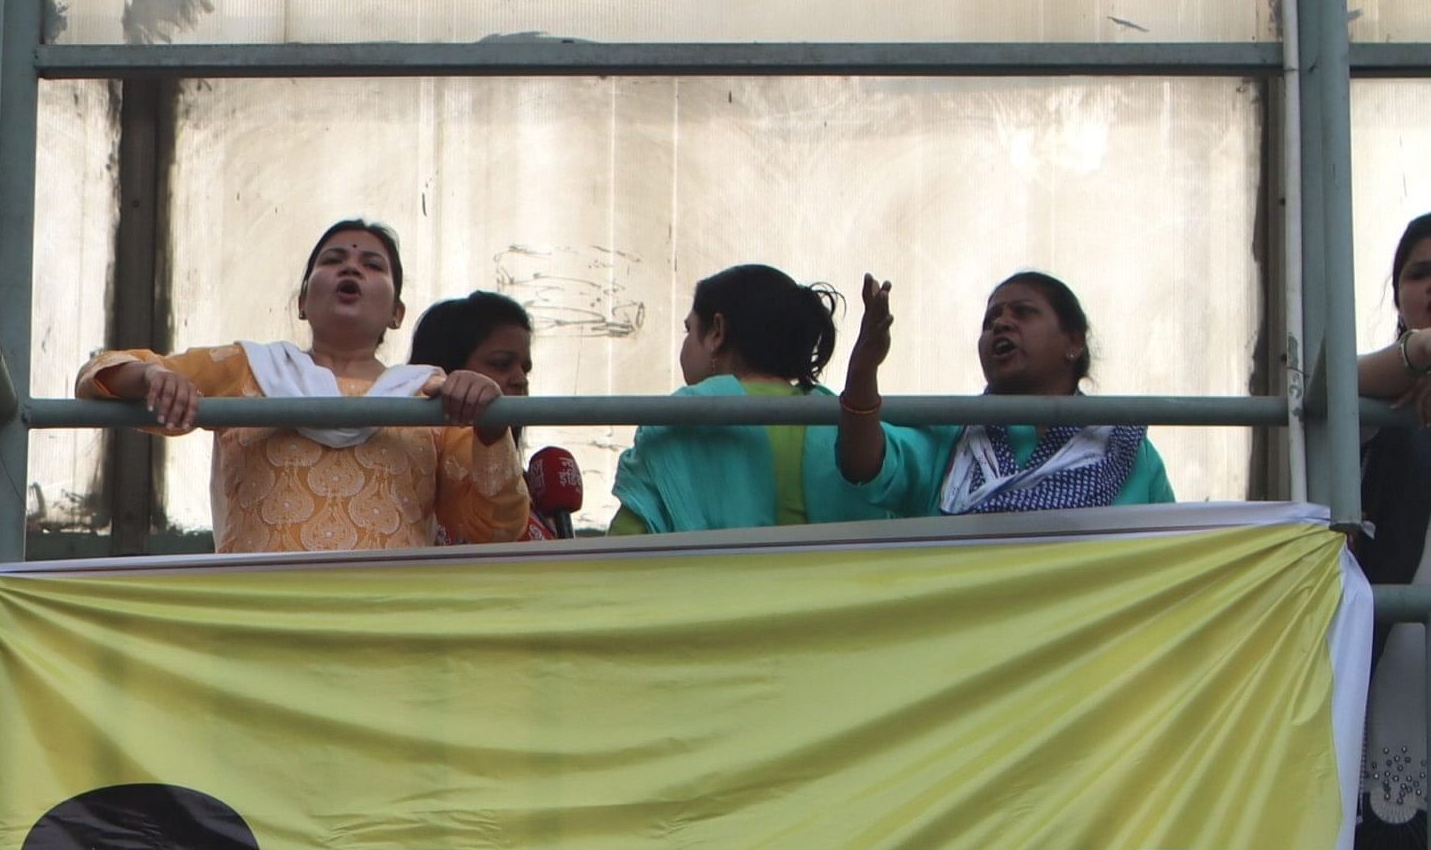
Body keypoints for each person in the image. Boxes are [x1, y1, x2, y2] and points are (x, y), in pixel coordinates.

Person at [73, 219, 525, 552]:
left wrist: (490, 423)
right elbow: (102, 374)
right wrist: (155, 377)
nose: (352, 269)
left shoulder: (432, 395)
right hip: (263, 628)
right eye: (334, 260)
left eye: (372, 265)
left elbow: (495, 528)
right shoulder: (248, 367)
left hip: (387, 633)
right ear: (304, 301)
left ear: (396, 314)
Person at [599, 264, 913, 535]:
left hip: (709, 601)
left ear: (717, 332)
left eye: (689, 329)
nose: (684, 345)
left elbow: (624, 551)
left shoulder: (676, 419)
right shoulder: (841, 422)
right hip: (832, 602)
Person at [835, 270, 1175, 515]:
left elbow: (1170, 559)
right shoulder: (950, 436)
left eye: (1024, 312)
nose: (1001, 323)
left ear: (1073, 342)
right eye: (990, 320)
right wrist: (864, 366)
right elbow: (863, 463)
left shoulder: (1126, 448)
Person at [1350, 215, 1431, 581]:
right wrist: (1420, 350)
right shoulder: (1379, 392)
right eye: (1419, 274)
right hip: (1395, 625)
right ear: (1397, 296)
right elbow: (1329, 385)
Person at [407, 290, 533, 397]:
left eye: (526, 370)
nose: (522, 380)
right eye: (501, 364)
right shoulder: (392, 422)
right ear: (447, 367)